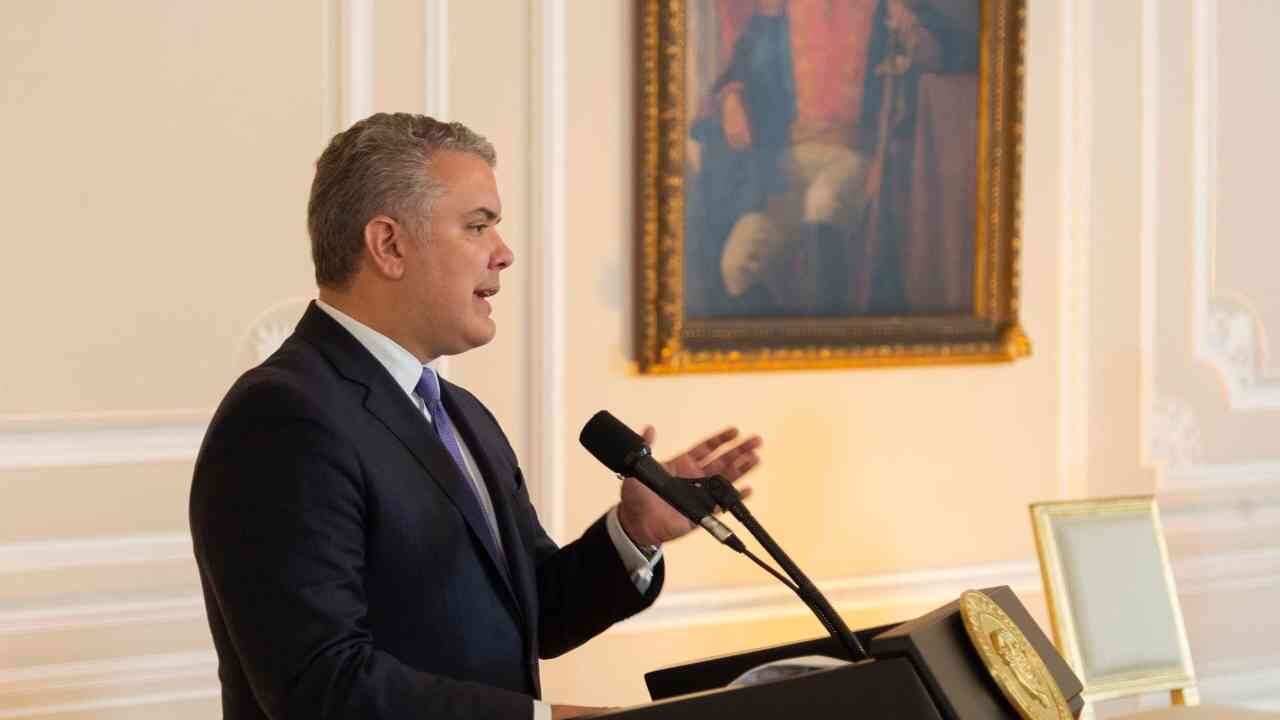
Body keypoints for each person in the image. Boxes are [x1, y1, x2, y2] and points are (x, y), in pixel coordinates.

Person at [189, 113, 762, 720]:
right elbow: (320, 685)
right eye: (478, 226)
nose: (504, 254)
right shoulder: (282, 417)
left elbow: (536, 612)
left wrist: (634, 531)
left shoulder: (461, 414)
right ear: (389, 245)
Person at [687, 0, 979, 318]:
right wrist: (731, 96)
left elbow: (963, 50)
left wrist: (915, 34)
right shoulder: (779, 10)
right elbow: (740, 65)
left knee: (822, 206)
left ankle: (826, 333)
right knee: (737, 263)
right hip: (786, 170)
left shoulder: (885, 8)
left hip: (853, 159)